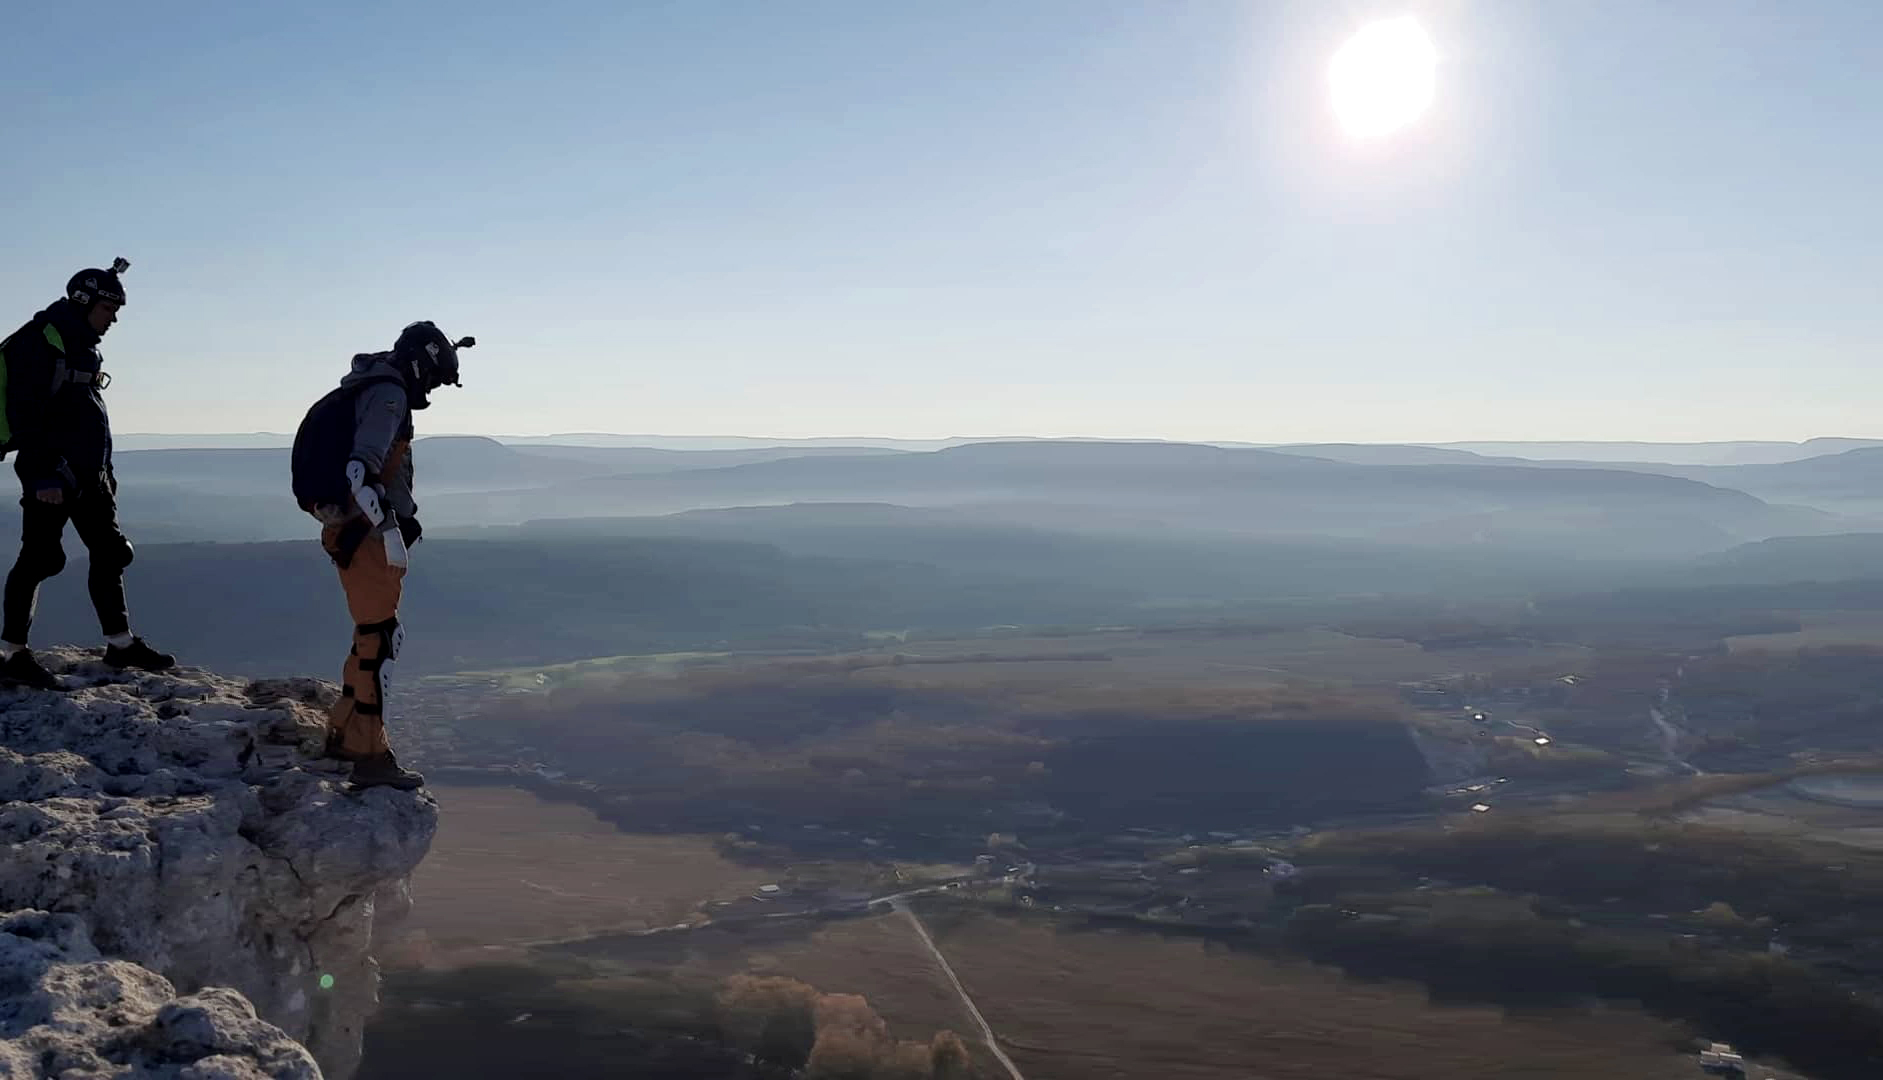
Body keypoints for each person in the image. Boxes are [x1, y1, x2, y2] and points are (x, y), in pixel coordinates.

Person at [296, 321, 470, 790]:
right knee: (380, 642)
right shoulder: (389, 395)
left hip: (355, 530)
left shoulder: (369, 384)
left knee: (373, 635)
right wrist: (389, 529)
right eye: (434, 377)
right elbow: (360, 468)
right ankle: (367, 754)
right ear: (421, 363)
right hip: (365, 534)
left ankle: (344, 729)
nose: (431, 389)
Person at [0, 261, 174, 690]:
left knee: (111, 551)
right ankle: (11, 654)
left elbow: (86, 413)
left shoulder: (81, 343)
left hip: (90, 473)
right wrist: (44, 476)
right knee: (40, 558)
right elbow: (26, 415)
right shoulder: (38, 342)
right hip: (53, 477)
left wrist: (104, 469)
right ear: (84, 302)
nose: (113, 317)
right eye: (108, 308)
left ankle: (120, 643)